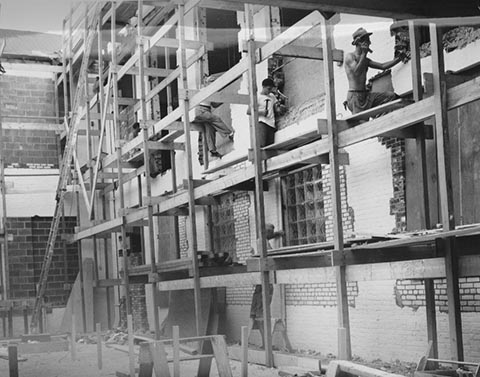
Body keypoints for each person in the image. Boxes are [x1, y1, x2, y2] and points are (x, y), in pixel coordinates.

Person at [344, 27, 405, 114]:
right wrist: (364, 53)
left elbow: (382, 66)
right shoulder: (350, 57)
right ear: (360, 42)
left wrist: (399, 58)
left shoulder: (364, 59)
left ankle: (381, 118)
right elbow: (356, 73)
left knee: (390, 96)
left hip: (365, 95)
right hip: (355, 97)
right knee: (361, 123)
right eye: (367, 40)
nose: (370, 43)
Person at [248, 223, 284, 348]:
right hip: (265, 281)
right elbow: (270, 254)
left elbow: (267, 238)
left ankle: (248, 342)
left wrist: (277, 234)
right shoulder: (261, 242)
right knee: (262, 314)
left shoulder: (260, 240)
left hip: (259, 281)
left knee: (254, 314)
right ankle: (266, 344)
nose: (271, 234)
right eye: (269, 232)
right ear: (265, 232)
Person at [193, 77, 235, 158]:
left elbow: (213, 104)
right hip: (201, 110)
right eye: (211, 82)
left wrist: (223, 100)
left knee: (210, 129)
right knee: (216, 119)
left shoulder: (211, 92)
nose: (213, 84)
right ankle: (229, 133)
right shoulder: (204, 90)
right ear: (207, 83)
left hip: (206, 111)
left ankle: (213, 151)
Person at [257, 78, 279, 147]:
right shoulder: (258, 97)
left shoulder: (272, 96)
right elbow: (249, 111)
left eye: (271, 89)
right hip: (262, 123)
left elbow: (276, 106)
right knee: (262, 145)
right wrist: (261, 112)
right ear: (263, 87)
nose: (269, 91)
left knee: (270, 148)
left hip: (271, 124)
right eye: (268, 89)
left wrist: (279, 108)